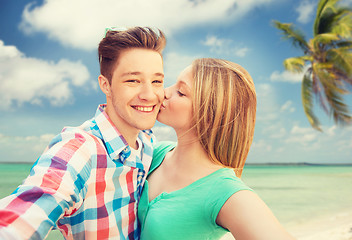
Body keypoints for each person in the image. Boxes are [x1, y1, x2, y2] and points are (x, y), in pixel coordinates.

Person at [0, 27, 166, 239]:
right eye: (133, 80)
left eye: (157, 81)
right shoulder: (81, 148)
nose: (149, 94)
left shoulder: (148, 143)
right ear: (105, 85)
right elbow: (33, 204)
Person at [138, 58, 295, 239]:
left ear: (210, 114)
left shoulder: (224, 191)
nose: (164, 93)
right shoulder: (156, 153)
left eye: (181, 92)